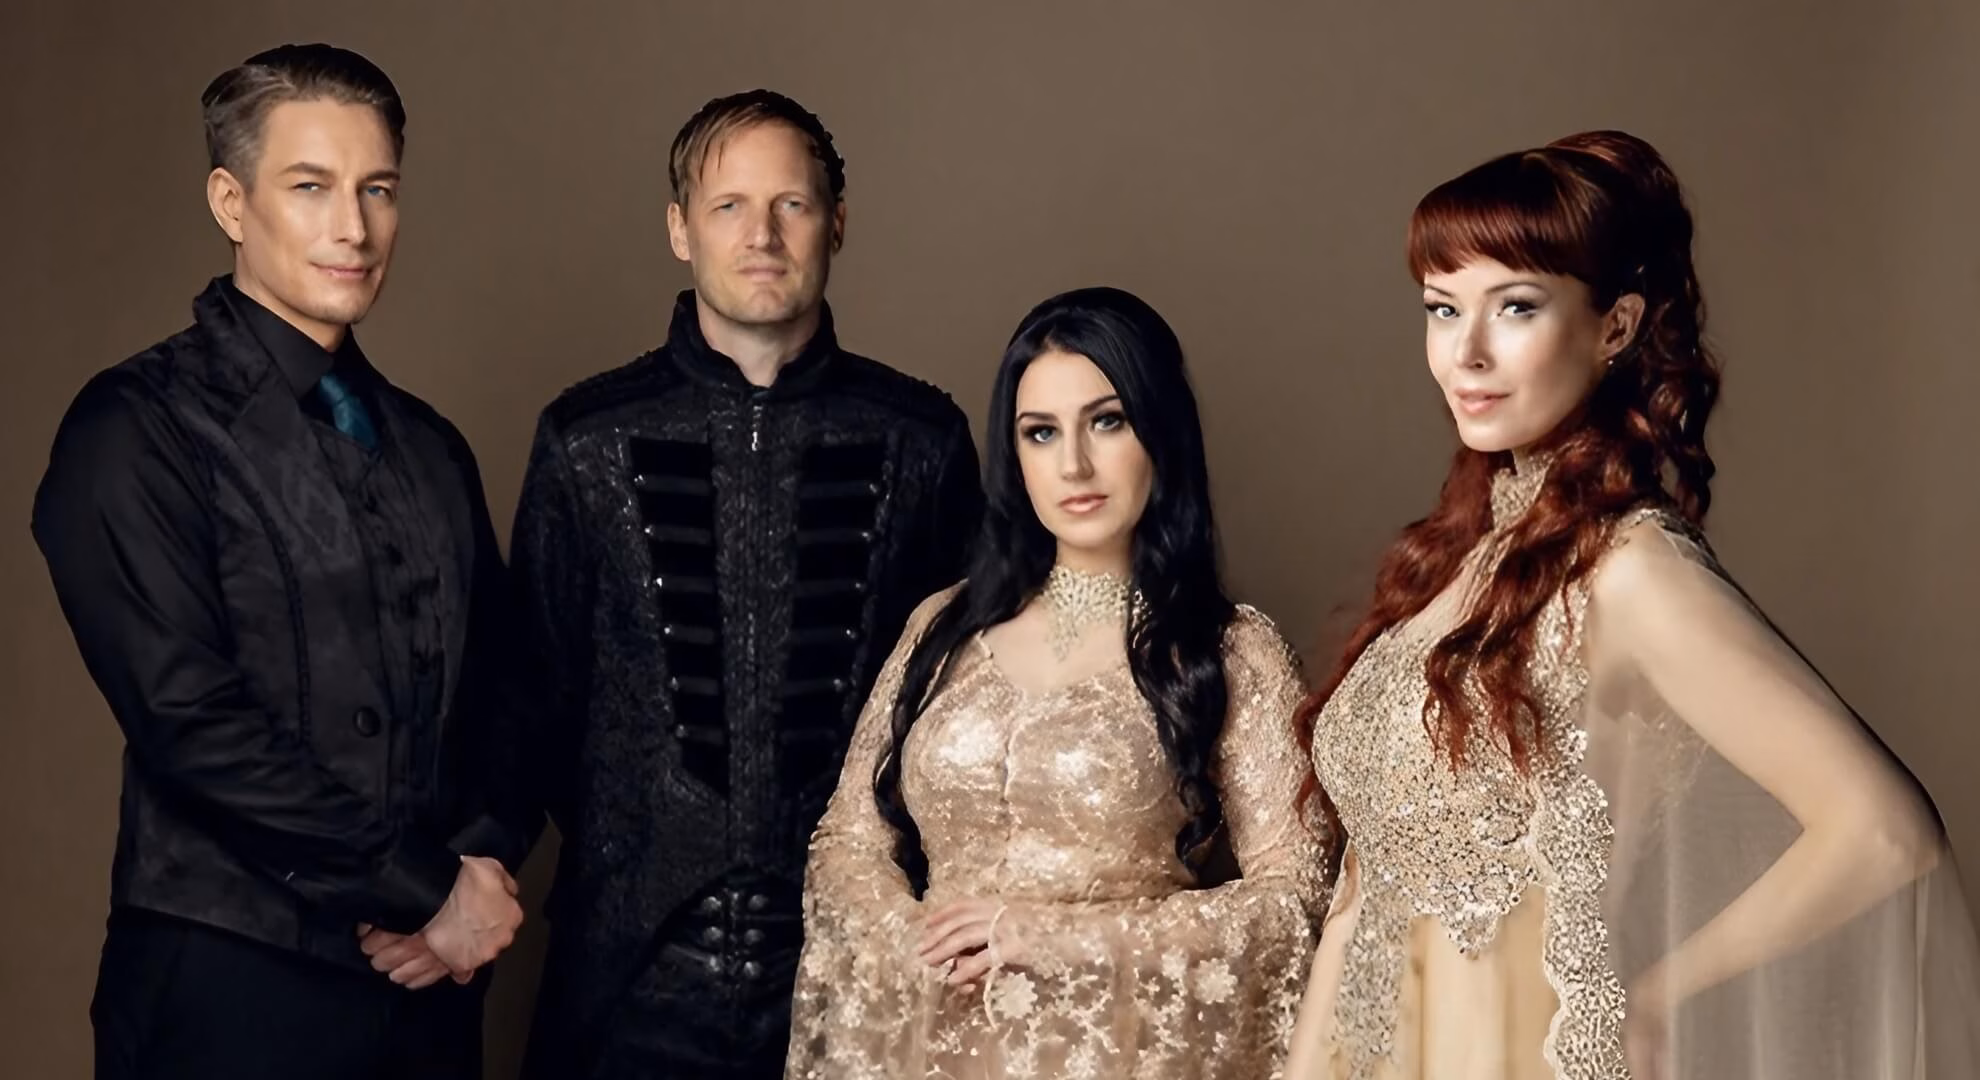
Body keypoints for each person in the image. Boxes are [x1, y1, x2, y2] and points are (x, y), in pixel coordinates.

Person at [1285, 130, 1980, 1079]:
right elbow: (1364, 887)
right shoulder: (1457, 562)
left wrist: (1659, 995)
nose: (1467, 354)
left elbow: (1883, 829)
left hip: (1518, 1048)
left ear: (1614, 326)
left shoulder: (1629, 568)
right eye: (1443, 311)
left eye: (1515, 308)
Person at [31, 43, 530, 1080]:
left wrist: (472, 879)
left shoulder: (429, 444)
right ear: (230, 199)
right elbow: (189, 721)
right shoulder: (134, 427)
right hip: (229, 985)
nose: (353, 227)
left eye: (377, 189)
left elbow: (508, 693)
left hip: (425, 987)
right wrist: (422, 888)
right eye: (311, 188)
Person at [507, 89, 984, 1078]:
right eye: (728, 205)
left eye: (792, 205)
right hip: (630, 969)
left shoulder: (922, 440)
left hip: (852, 963)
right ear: (680, 228)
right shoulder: (585, 439)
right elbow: (530, 704)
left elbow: (961, 707)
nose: (761, 233)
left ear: (837, 222)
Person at [787, 286, 1330, 1079]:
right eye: (1040, 434)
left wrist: (1051, 941)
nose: (1073, 464)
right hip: (931, 1050)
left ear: (1160, 432)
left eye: (1106, 422)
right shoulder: (942, 629)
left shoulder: (1229, 650)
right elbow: (847, 841)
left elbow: (1297, 895)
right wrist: (914, 938)